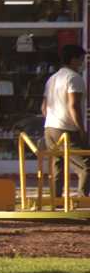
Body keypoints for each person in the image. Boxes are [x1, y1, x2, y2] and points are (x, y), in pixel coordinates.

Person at [41, 43, 88, 196]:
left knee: (57, 166)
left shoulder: (52, 79)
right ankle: (83, 197)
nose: (83, 64)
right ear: (73, 60)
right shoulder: (74, 78)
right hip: (66, 128)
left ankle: (56, 200)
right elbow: (73, 105)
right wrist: (81, 129)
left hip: (50, 128)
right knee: (85, 166)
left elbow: (43, 107)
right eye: (81, 60)